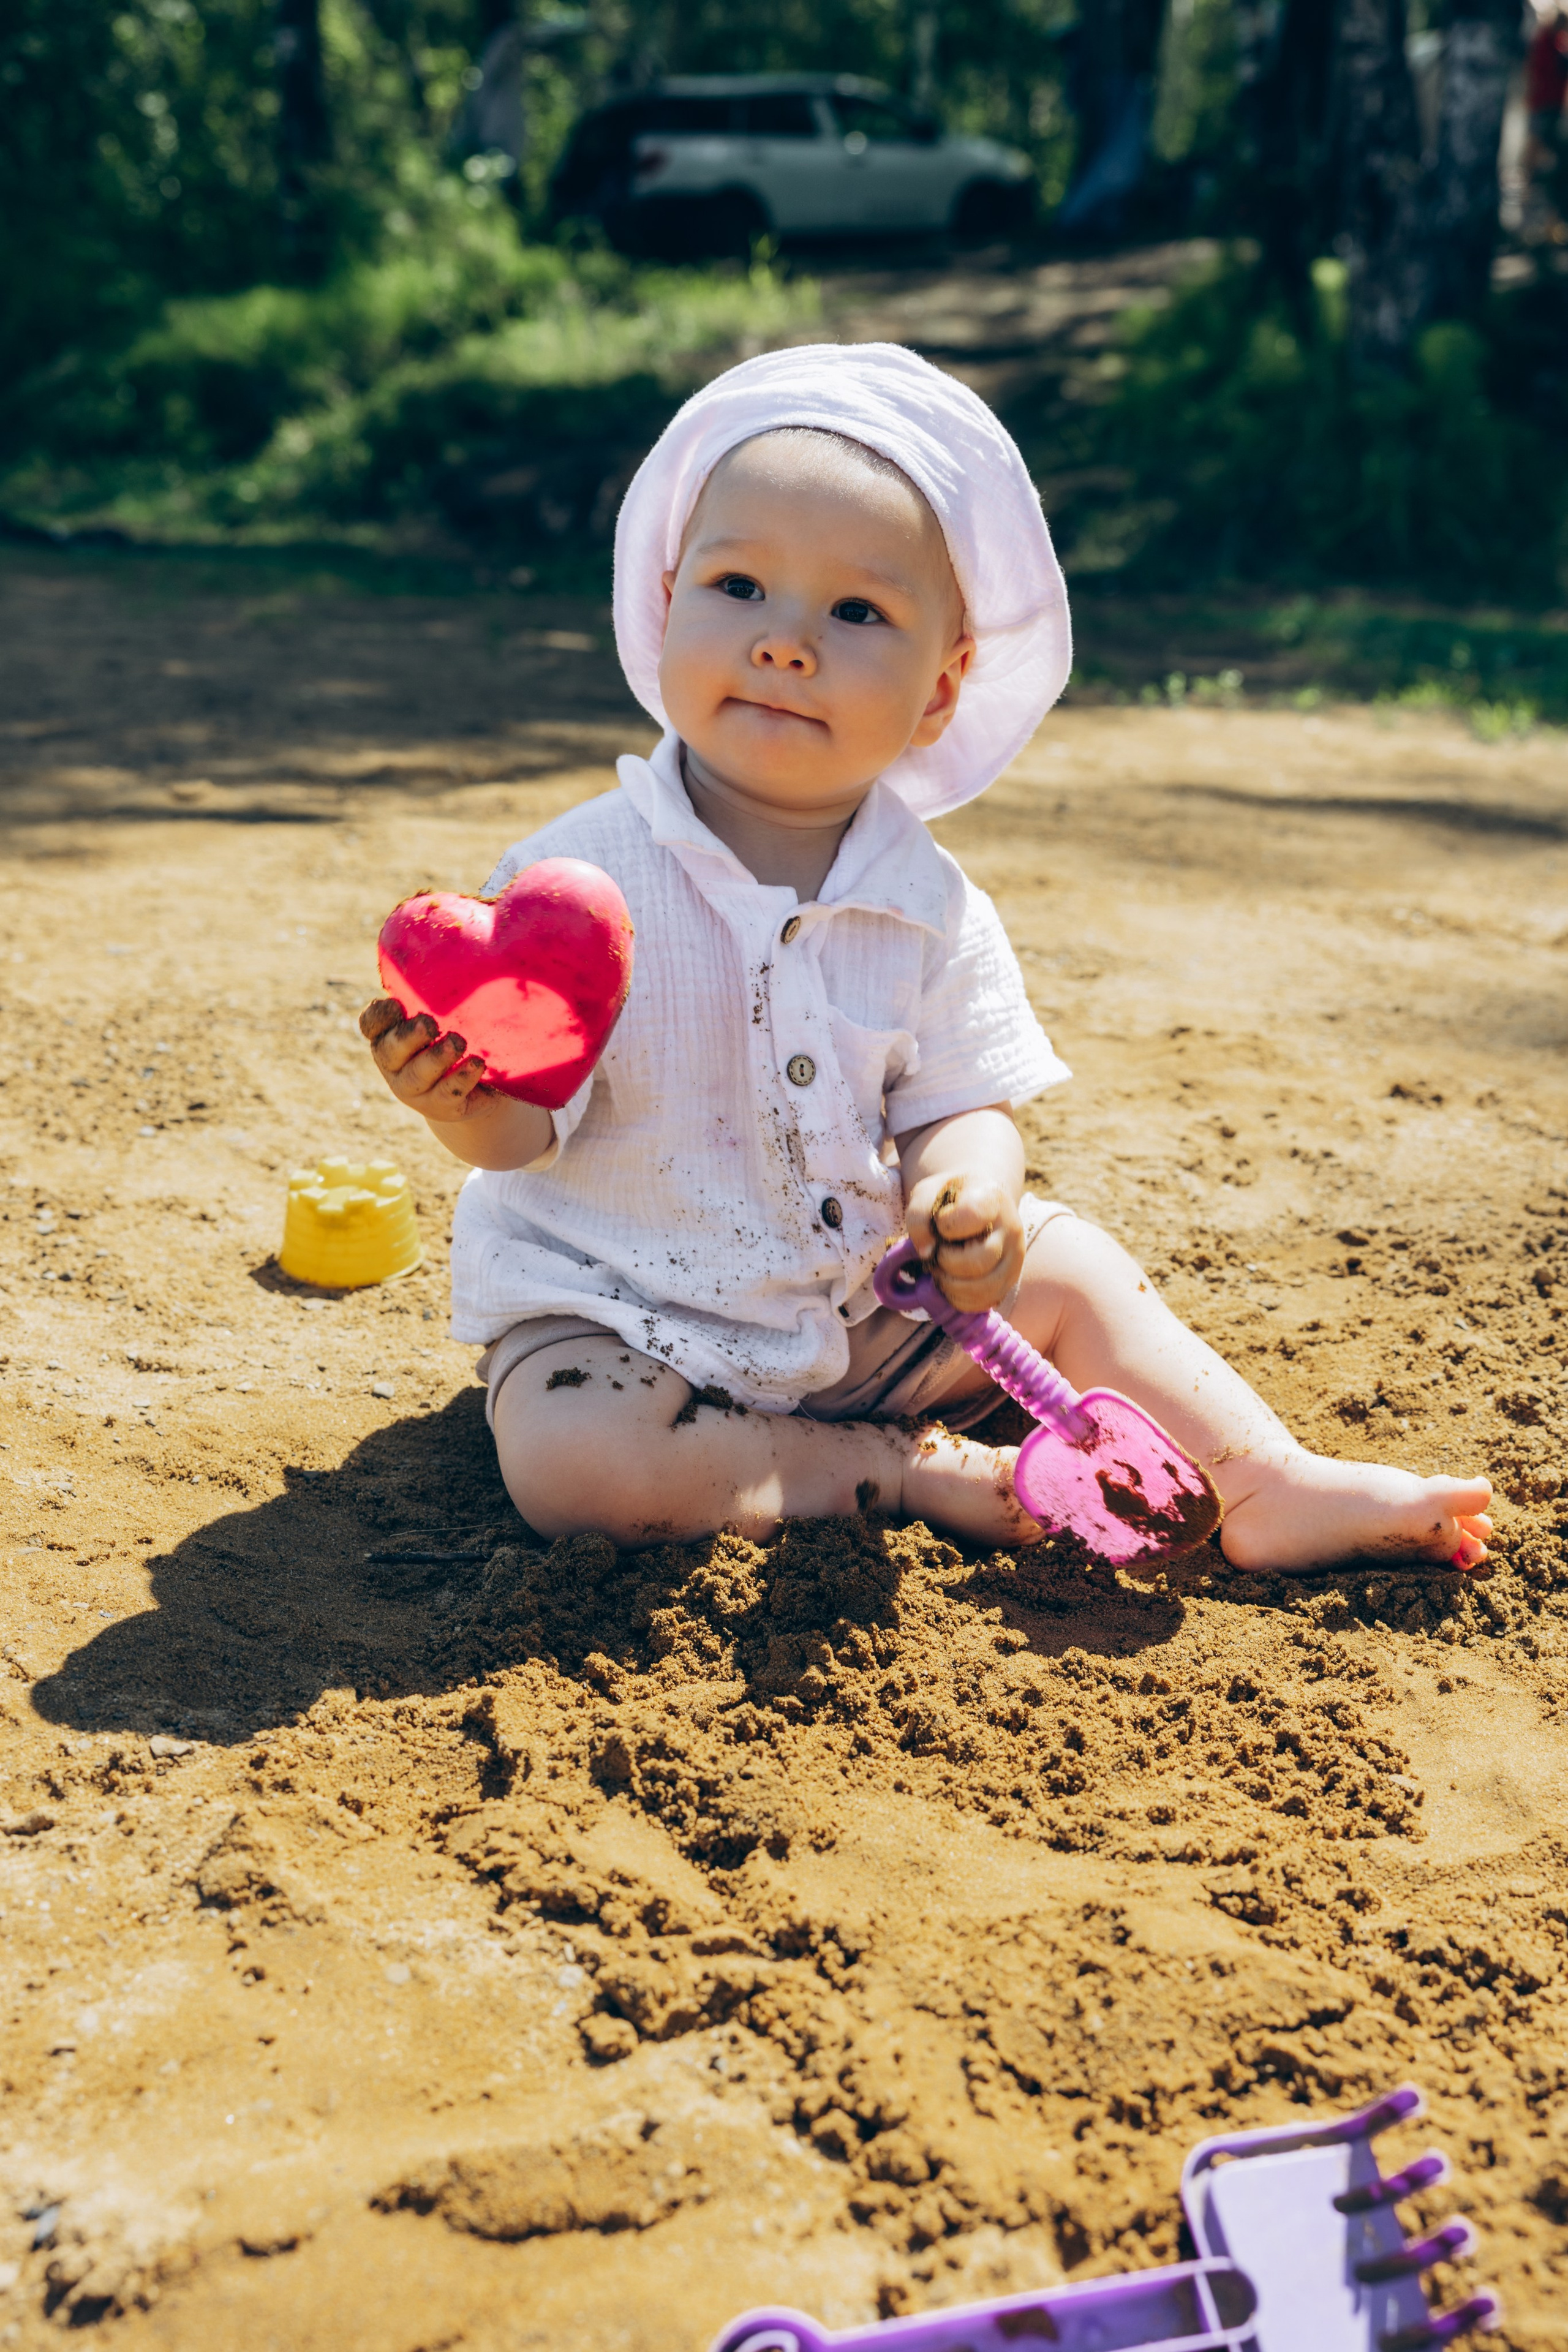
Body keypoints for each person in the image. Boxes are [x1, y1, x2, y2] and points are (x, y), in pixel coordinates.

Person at [360, 344, 1492, 1569]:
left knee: (1076, 1271)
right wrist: (467, 1111)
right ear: (665, 594)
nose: (785, 642)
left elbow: (962, 1098)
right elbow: (525, 1138)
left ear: (941, 690)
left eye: (855, 612)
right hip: (631, 1323)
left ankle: (1262, 1479)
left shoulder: (928, 905)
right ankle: (897, 1472)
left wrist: (975, 1190)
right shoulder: (573, 886)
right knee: (578, 1467)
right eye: (738, 586)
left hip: (867, 1308)